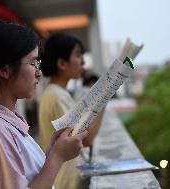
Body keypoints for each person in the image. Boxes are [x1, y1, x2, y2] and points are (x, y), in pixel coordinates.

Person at [0, 21, 88, 189]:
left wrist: (51, 152)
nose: (39, 72)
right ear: (5, 70)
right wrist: (57, 157)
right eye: (33, 62)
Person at [38, 33, 105, 189]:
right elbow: (84, 140)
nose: (82, 61)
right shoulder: (55, 96)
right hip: (64, 182)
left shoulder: (57, 93)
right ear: (62, 63)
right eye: (77, 55)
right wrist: (103, 97)